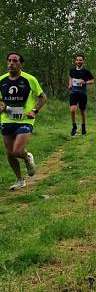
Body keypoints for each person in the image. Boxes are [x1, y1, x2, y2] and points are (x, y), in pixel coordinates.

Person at [0, 53, 47, 190]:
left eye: (14, 61)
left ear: (21, 64)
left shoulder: (29, 79)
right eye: (9, 61)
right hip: (6, 119)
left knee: (17, 151)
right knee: (9, 153)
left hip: (25, 120)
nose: (11, 63)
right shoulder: (2, 80)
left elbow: (43, 98)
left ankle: (27, 157)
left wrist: (34, 110)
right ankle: (20, 180)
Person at [68, 54, 94, 136]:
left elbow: (92, 81)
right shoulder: (72, 70)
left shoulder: (86, 72)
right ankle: (74, 127)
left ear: (83, 61)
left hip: (82, 94)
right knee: (72, 110)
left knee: (82, 111)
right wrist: (70, 84)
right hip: (73, 93)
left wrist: (85, 82)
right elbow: (70, 78)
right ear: (75, 61)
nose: (79, 61)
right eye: (77, 60)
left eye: (80, 60)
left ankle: (83, 127)